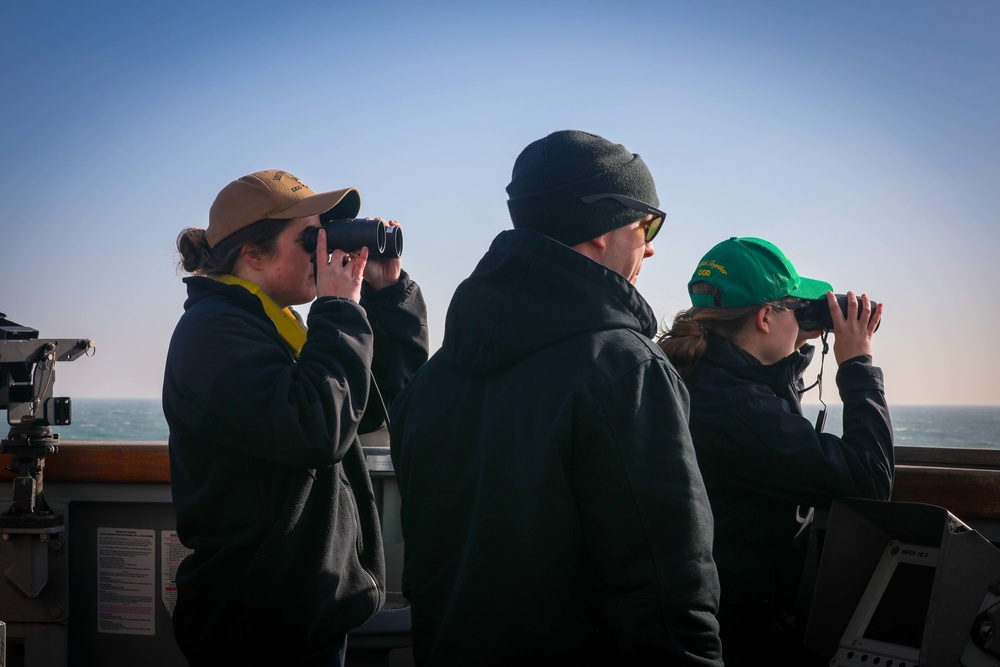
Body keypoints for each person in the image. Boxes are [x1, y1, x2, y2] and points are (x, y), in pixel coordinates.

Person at [389, 130, 723, 666]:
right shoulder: (626, 369)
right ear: (602, 227)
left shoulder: (435, 380)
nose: (651, 243)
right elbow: (668, 584)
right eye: (647, 223)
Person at [163, 169, 429, 666]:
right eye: (309, 238)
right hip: (259, 625)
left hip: (300, 610)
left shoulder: (275, 326)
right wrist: (336, 307)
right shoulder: (214, 335)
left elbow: (382, 401)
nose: (322, 249)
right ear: (252, 253)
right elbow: (315, 429)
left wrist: (388, 294)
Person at [657, 236, 893, 666]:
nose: (805, 317)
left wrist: (789, 342)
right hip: (740, 635)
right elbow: (869, 480)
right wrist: (858, 364)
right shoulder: (739, 409)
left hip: (703, 615)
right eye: (795, 306)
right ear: (765, 317)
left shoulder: (697, 378)